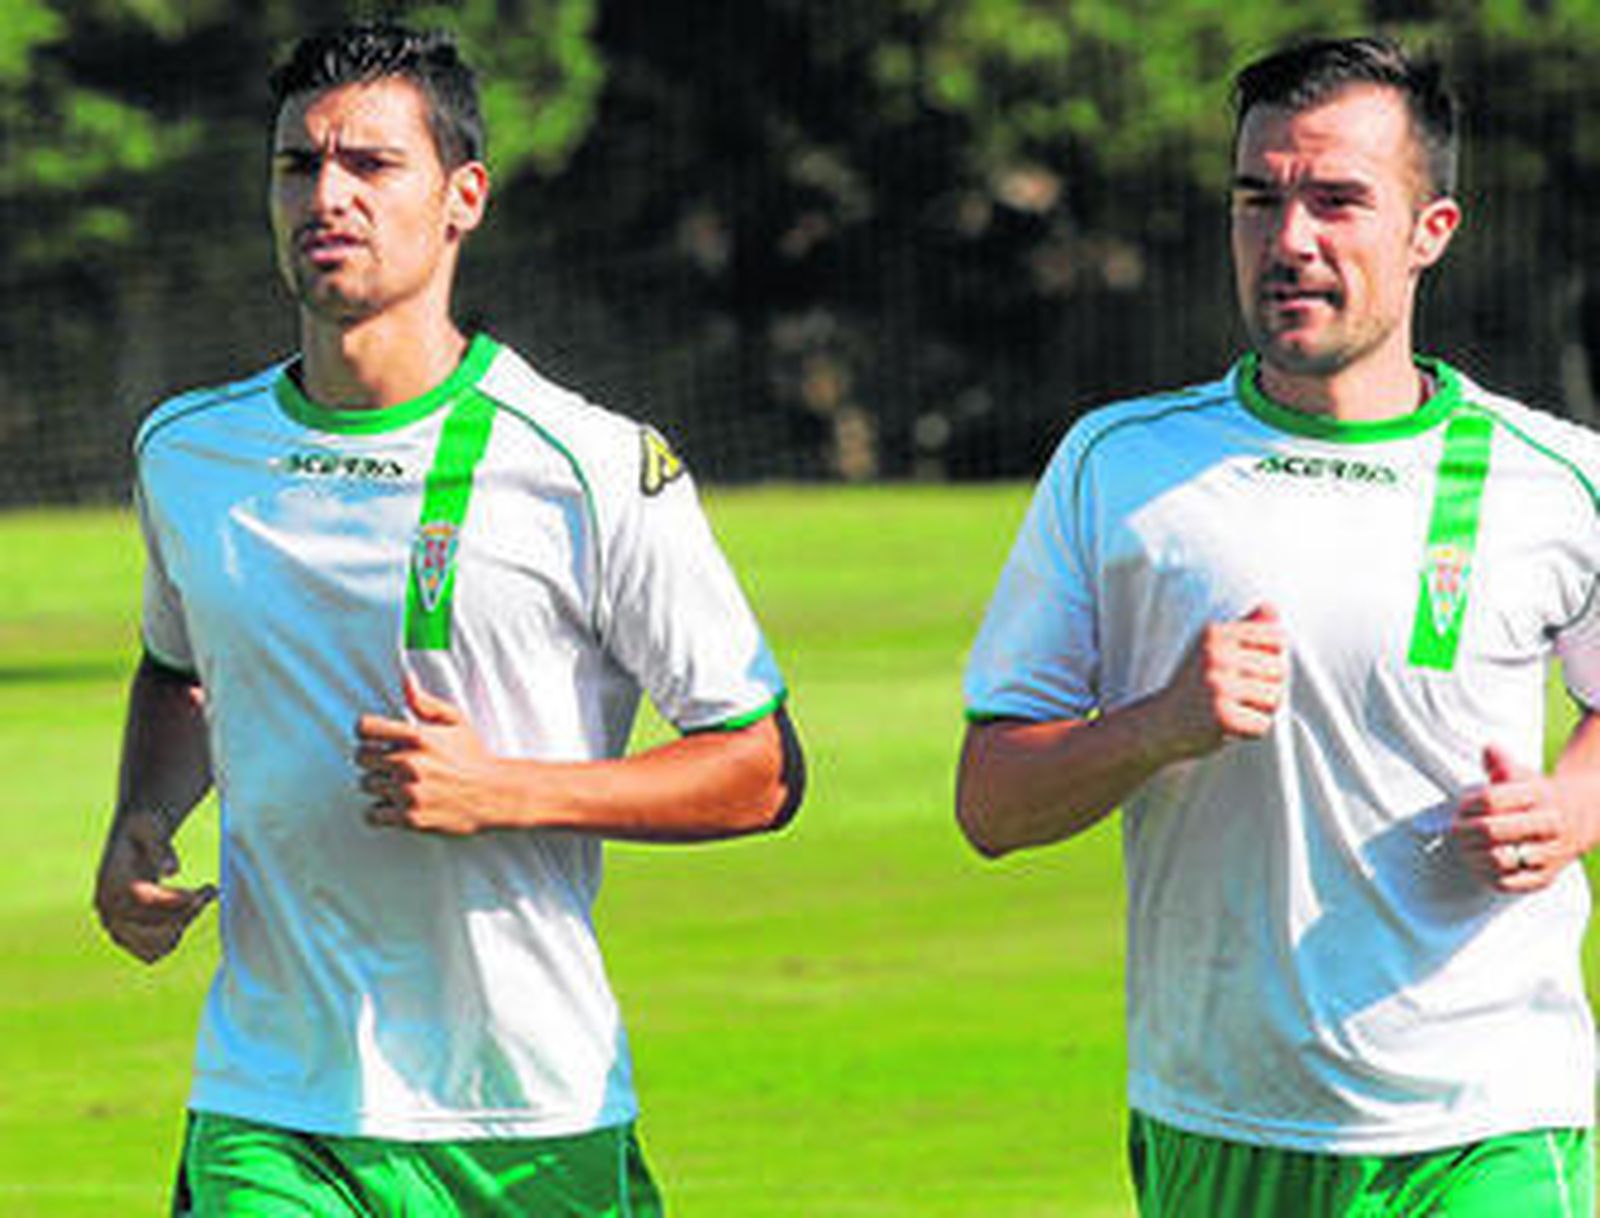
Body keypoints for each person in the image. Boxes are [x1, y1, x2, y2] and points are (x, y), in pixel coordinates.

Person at [93, 21, 804, 1216]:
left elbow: (759, 771)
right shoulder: (187, 450)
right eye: (298, 165)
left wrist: (509, 791)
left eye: (371, 166)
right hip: (272, 1102)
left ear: (462, 196)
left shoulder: (587, 463)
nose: (327, 195)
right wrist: (143, 817)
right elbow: (181, 673)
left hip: (523, 1112)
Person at [957, 35, 1600, 1217]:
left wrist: (1570, 805)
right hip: (1223, 1119)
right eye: (1259, 200)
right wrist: (1155, 726)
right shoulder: (1119, 465)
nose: (1289, 240)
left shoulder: (1557, 479)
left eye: (1337, 200)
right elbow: (991, 804)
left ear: (1430, 230)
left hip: (1495, 1118)